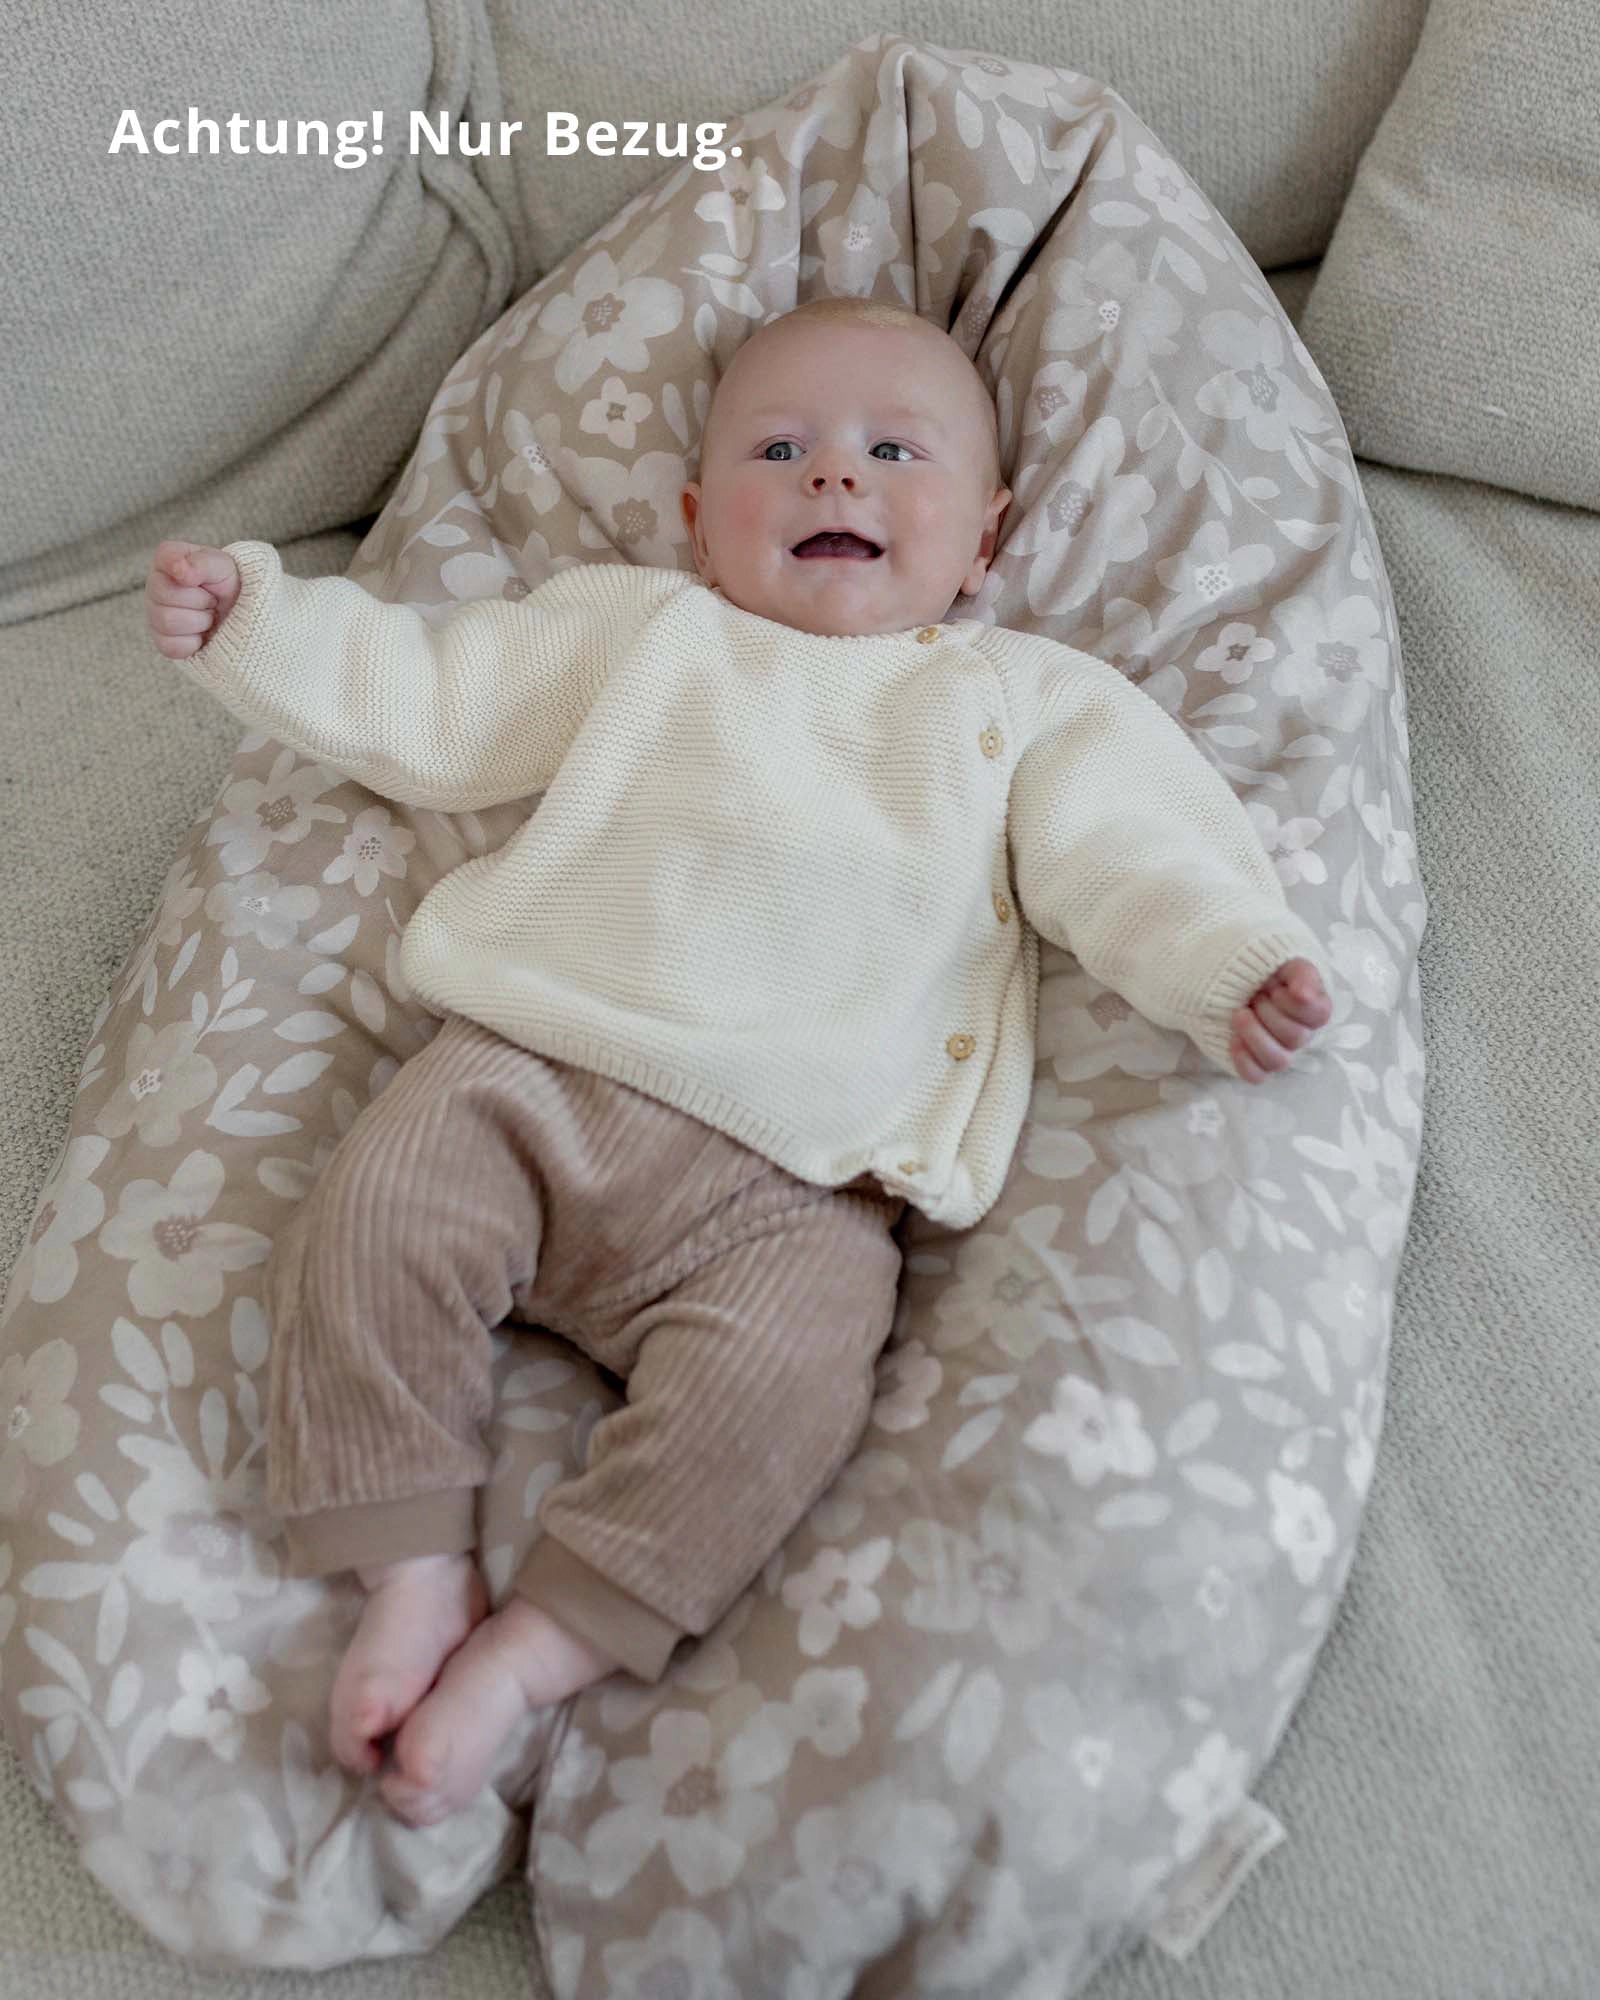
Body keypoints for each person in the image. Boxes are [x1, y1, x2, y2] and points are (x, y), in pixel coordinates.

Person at [143, 296, 1335, 1829]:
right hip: (536, 1073)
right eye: (783, 450)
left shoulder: (1014, 700)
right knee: (375, 1219)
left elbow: (1134, 852)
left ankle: (530, 1655)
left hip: (799, 1182)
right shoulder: (646, 632)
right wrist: (259, 621)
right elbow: (436, 696)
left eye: (894, 452)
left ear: (987, 535)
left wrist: (1229, 965)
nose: (836, 478)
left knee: (786, 1391)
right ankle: (412, 1570)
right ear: (703, 521)